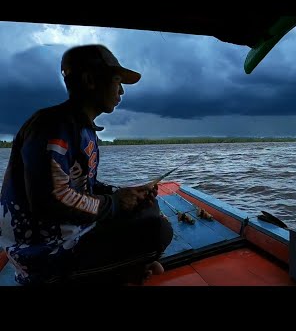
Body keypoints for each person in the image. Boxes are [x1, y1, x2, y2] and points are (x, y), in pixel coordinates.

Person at [0, 44, 173, 285]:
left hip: (68, 230)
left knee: (147, 209)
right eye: (116, 80)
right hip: (42, 249)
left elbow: (82, 186)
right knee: (159, 229)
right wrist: (113, 203)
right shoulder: (53, 128)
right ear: (91, 80)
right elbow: (51, 199)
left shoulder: (83, 129)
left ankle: (126, 265)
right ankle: (116, 270)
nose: (122, 90)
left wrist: (121, 193)